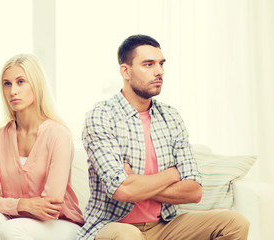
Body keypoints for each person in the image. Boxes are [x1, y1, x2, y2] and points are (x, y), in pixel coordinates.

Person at [78, 35, 249, 240]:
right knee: (128, 235)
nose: (159, 71)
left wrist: (136, 184)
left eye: (161, 64)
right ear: (126, 71)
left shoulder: (171, 117)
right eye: (148, 64)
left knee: (235, 223)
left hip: (164, 226)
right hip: (114, 226)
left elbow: (194, 192)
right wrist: (172, 174)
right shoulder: (101, 116)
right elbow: (122, 190)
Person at [0, 54, 83, 240]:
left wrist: (6, 204)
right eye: (7, 84)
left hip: (60, 225)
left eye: (21, 82)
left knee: (10, 230)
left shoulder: (59, 135)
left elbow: (50, 207)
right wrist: (22, 204)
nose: (12, 91)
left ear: (36, 85)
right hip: (16, 218)